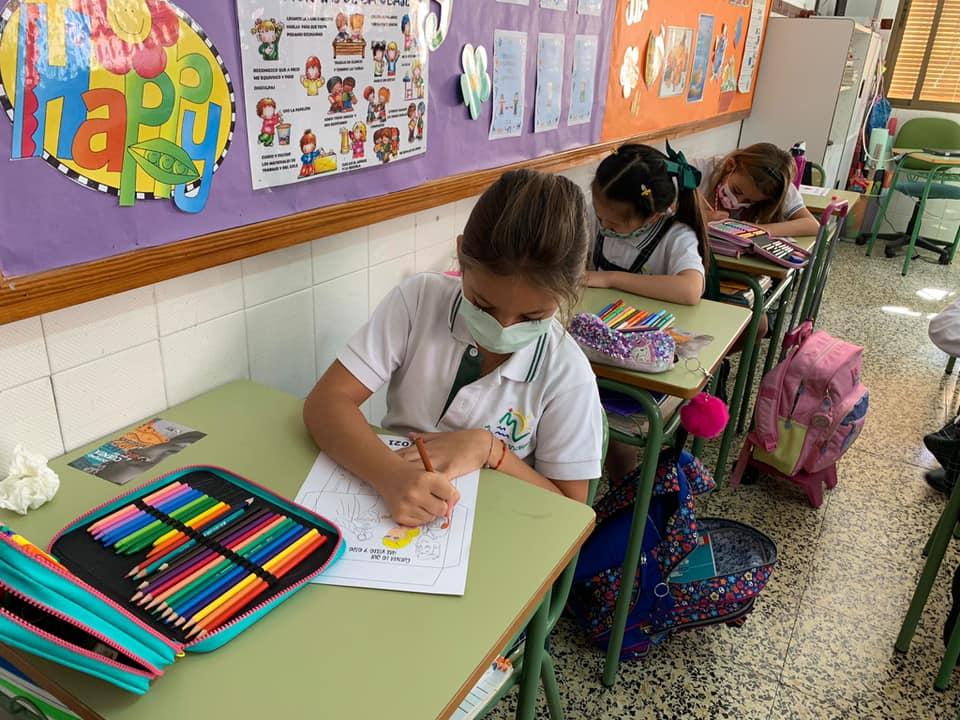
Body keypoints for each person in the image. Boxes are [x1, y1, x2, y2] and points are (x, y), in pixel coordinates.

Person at [304, 170, 604, 526]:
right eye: (482, 304)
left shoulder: (567, 372)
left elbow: (571, 511)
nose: (502, 328)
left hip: (502, 532)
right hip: (390, 501)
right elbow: (326, 403)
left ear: (569, 293)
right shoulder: (419, 301)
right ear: (461, 257)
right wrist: (390, 476)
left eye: (531, 316)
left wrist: (490, 450)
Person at [586, 143, 711, 306]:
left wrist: (610, 278)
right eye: (599, 216)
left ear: (653, 216)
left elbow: (691, 290)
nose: (603, 226)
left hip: (648, 326)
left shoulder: (676, 237)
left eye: (614, 224)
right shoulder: (601, 213)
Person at [694, 143, 820, 238]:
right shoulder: (697, 171)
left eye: (749, 201)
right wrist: (701, 217)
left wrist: (758, 230)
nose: (736, 202)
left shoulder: (776, 186)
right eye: (736, 190)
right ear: (730, 166)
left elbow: (813, 225)